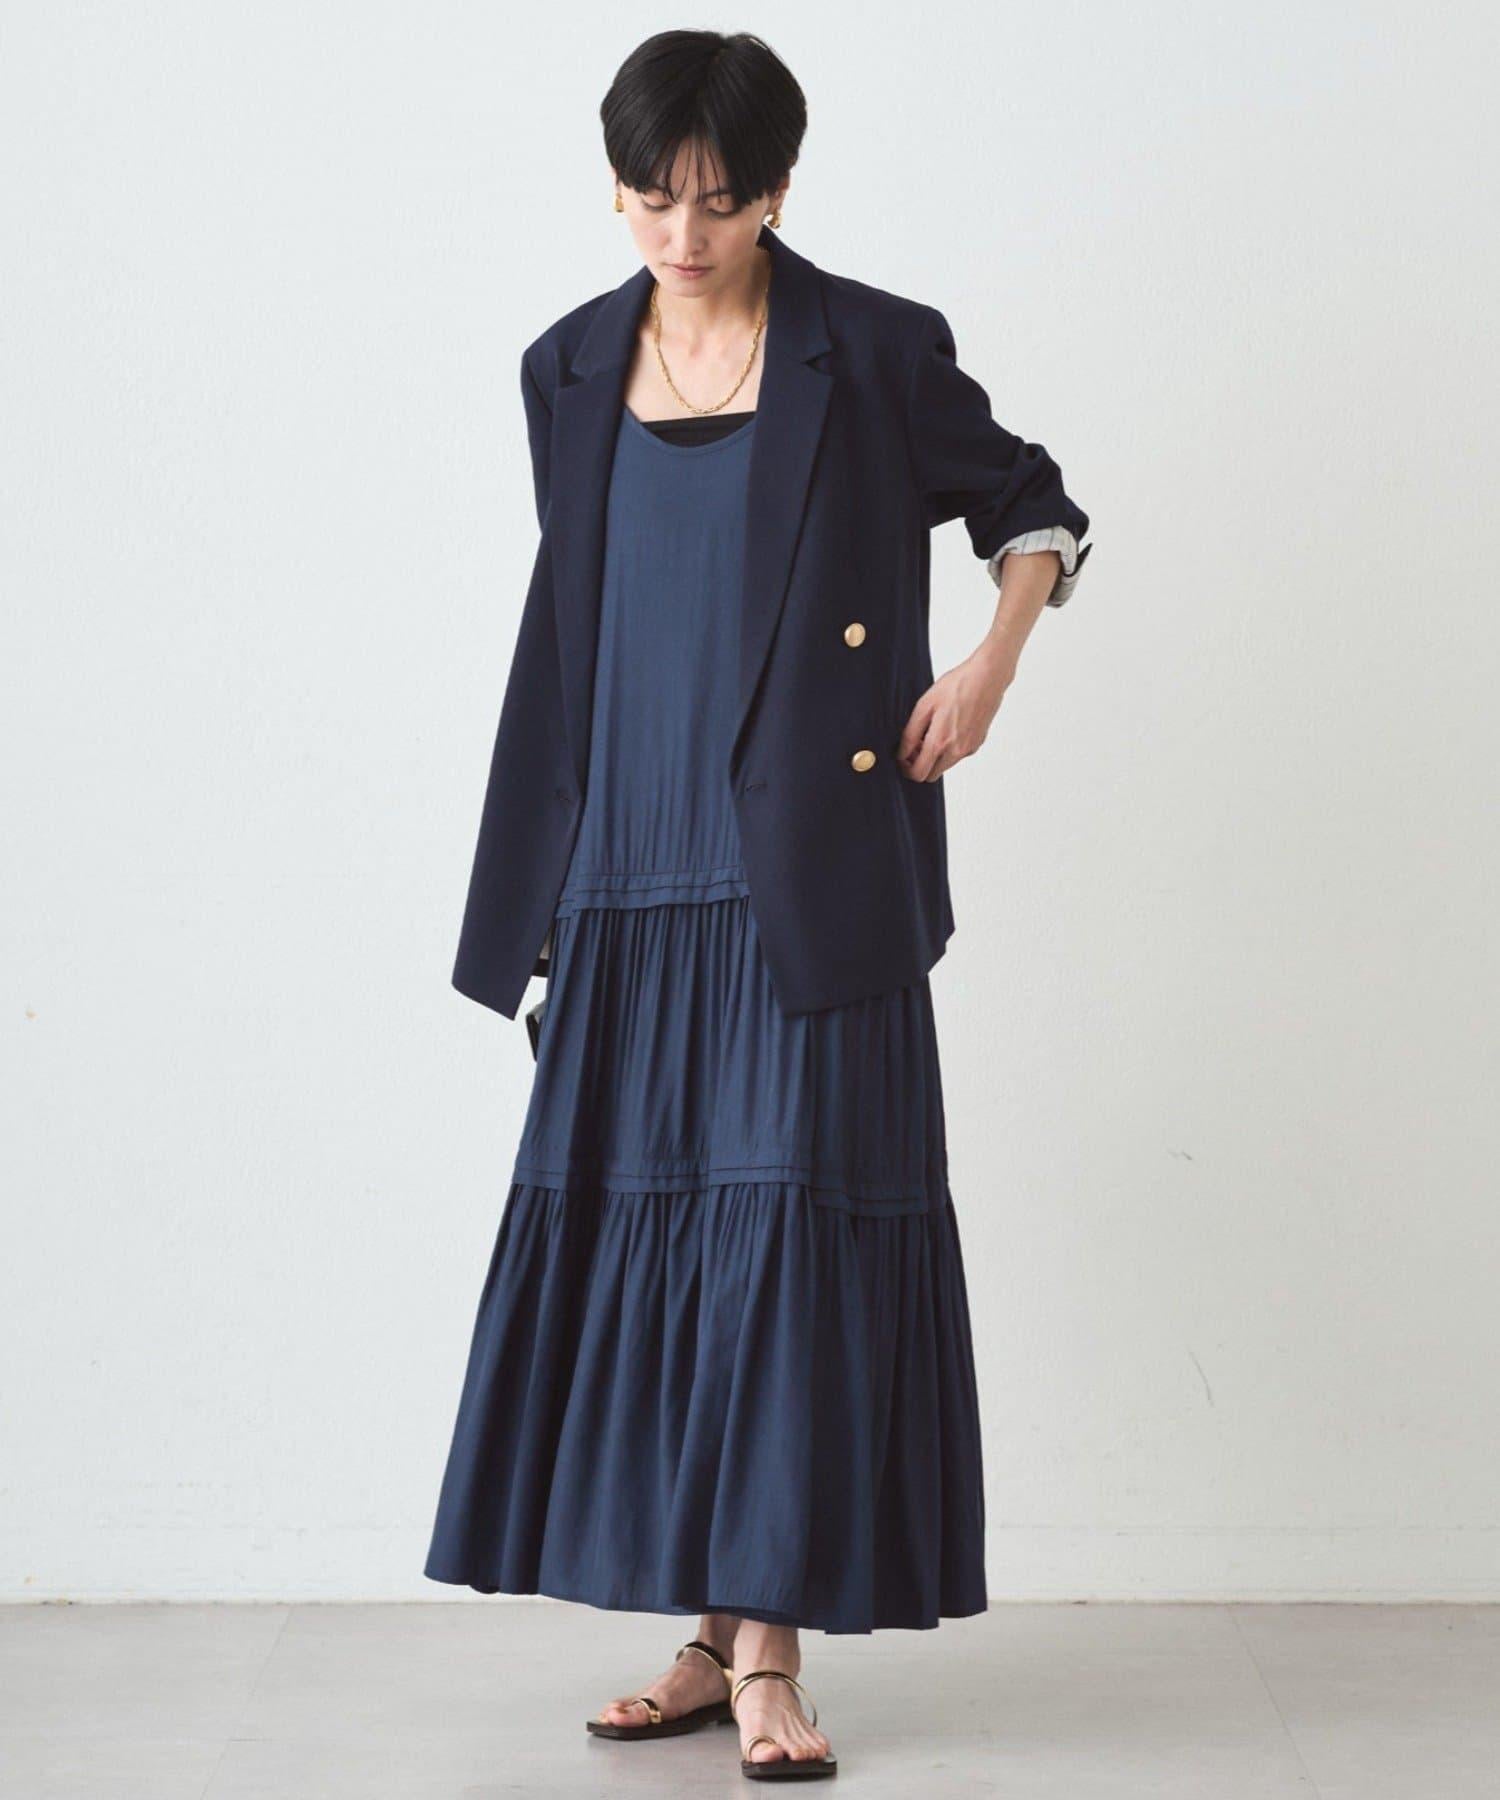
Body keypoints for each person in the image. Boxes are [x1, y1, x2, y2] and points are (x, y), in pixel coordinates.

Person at [424, 28, 1092, 1782]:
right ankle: (714, 1639)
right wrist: (546, 882)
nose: (683, 235)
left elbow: (1037, 506)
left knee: (784, 1245)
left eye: (717, 203)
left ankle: (773, 1652)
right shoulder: (567, 366)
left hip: (804, 870)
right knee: (665, 1253)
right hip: (621, 871)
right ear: (619, 191)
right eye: (652, 199)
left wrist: (988, 668)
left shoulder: (869, 350)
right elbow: (595, 616)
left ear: (778, 192)